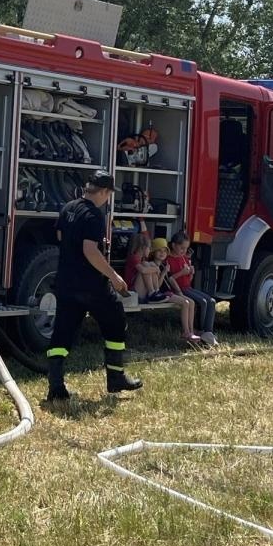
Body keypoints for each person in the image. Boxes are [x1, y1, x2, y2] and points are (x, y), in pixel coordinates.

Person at [46, 170, 143, 401]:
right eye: (109, 194)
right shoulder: (94, 215)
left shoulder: (68, 207)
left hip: (66, 282)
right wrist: (113, 276)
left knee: (62, 332)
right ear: (102, 192)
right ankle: (116, 378)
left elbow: (60, 236)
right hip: (90, 284)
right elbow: (89, 250)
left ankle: (56, 387)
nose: (108, 199)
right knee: (116, 321)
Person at [165, 230, 218, 345]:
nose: (184, 251)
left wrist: (191, 273)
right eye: (182, 248)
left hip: (187, 287)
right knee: (203, 302)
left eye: (186, 248)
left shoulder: (183, 257)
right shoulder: (168, 259)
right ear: (173, 245)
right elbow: (170, 279)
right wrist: (183, 272)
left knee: (211, 301)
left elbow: (188, 280)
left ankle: (209, 332)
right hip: (179, 289)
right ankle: (201, 331)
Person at [144, 237, 201, 342]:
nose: (162, 253)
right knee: (185, 303)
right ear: (153, 252)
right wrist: (164, 272)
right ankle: (186, 332)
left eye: (165, 251)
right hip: (160, 294)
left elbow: (171, 279)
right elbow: (157, 287)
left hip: (169, 291)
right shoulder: (153, 265)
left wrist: (179, 292)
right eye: (159, 251)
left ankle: (191, 331)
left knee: (191, 302)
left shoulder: (164, 264)